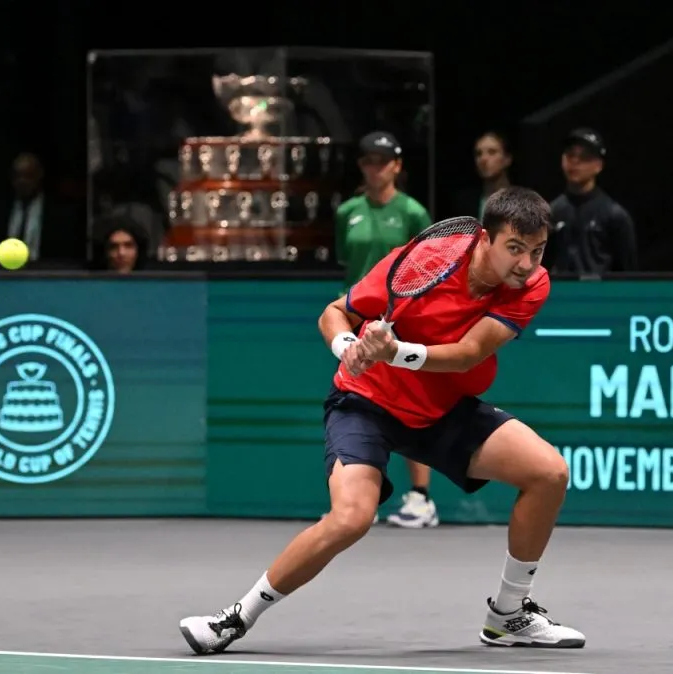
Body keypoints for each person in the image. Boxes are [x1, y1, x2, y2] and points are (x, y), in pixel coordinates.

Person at [179, 186, 586, 652]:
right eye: (515, 249)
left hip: (442, 410)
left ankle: (509, 614)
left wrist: (396, 352)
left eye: (536, 251)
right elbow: (335, 313)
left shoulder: (533, 284)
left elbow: (469, 353)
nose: (526, 264)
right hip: (366, 406)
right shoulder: (422, 262)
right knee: (351, 518)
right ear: (483, 240)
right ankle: (235, 618)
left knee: (549, 472)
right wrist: (348, 348)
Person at [334, 130, 439, 529]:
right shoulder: (348, 212)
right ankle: (360, 499)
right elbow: (347, 259)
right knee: (359, 406)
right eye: (367, 161)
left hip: (402, 324)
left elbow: (432, 265)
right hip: (358, 320)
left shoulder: (413, 212)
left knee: (408, 407)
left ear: (396, 166)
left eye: (382, 161)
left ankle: (421, 499)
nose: (374, 168)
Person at [543, 128, 638, 274]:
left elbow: (627, 271)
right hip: (561, 294)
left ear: (598, 165)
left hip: (600, 294)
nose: (575, 161)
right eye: (570, 154)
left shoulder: (614, 215)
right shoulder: (552, 212)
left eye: (584, 157)